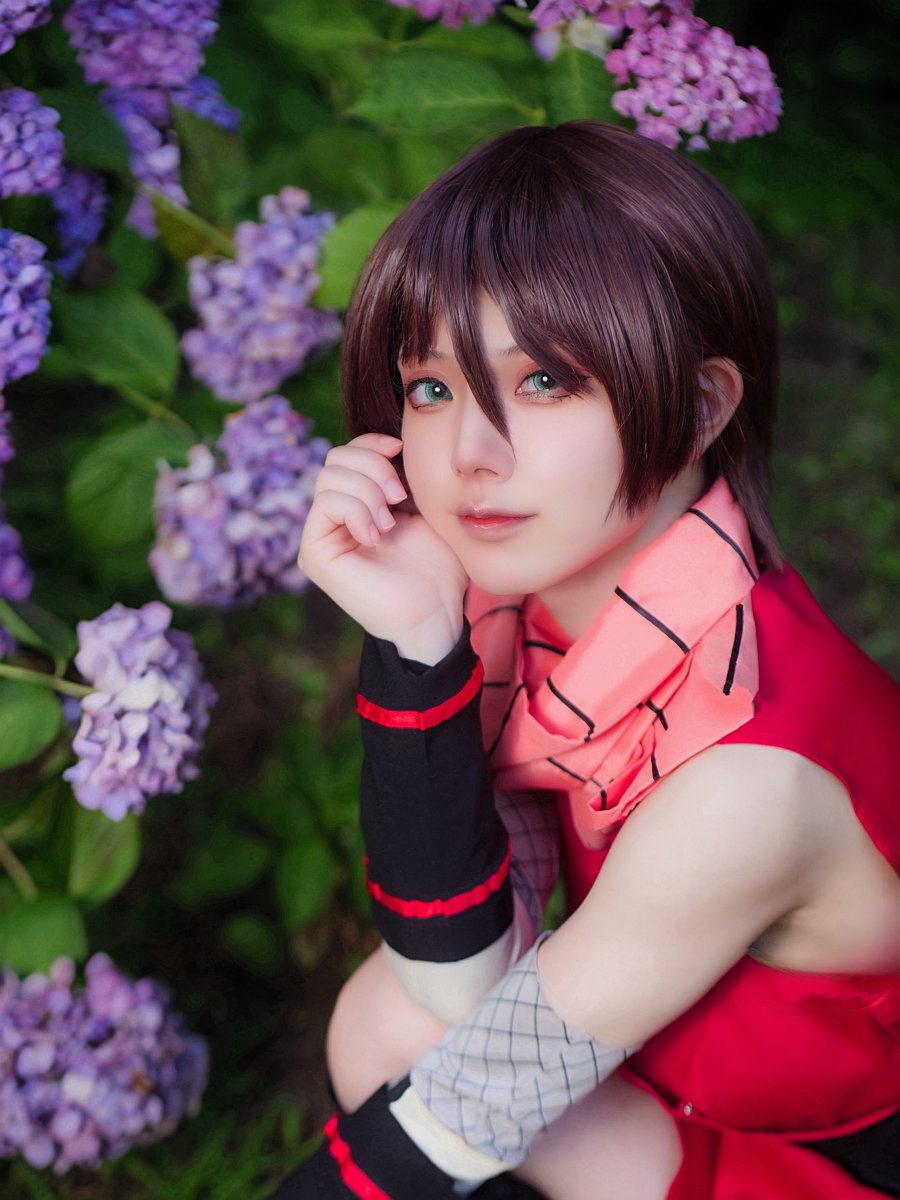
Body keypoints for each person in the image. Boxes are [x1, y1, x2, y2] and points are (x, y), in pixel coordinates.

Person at [268, 121, 900, 1199]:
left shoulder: (745, 776)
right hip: (691, 1103)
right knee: (390, 1021)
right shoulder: (543, 631)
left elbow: (477, 1101)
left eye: (545, 382)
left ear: (700, 407)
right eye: (432, 389)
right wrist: (417, 642)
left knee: (419, 1067)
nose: (469, 455)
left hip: (825, 1162)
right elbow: (456, 984)